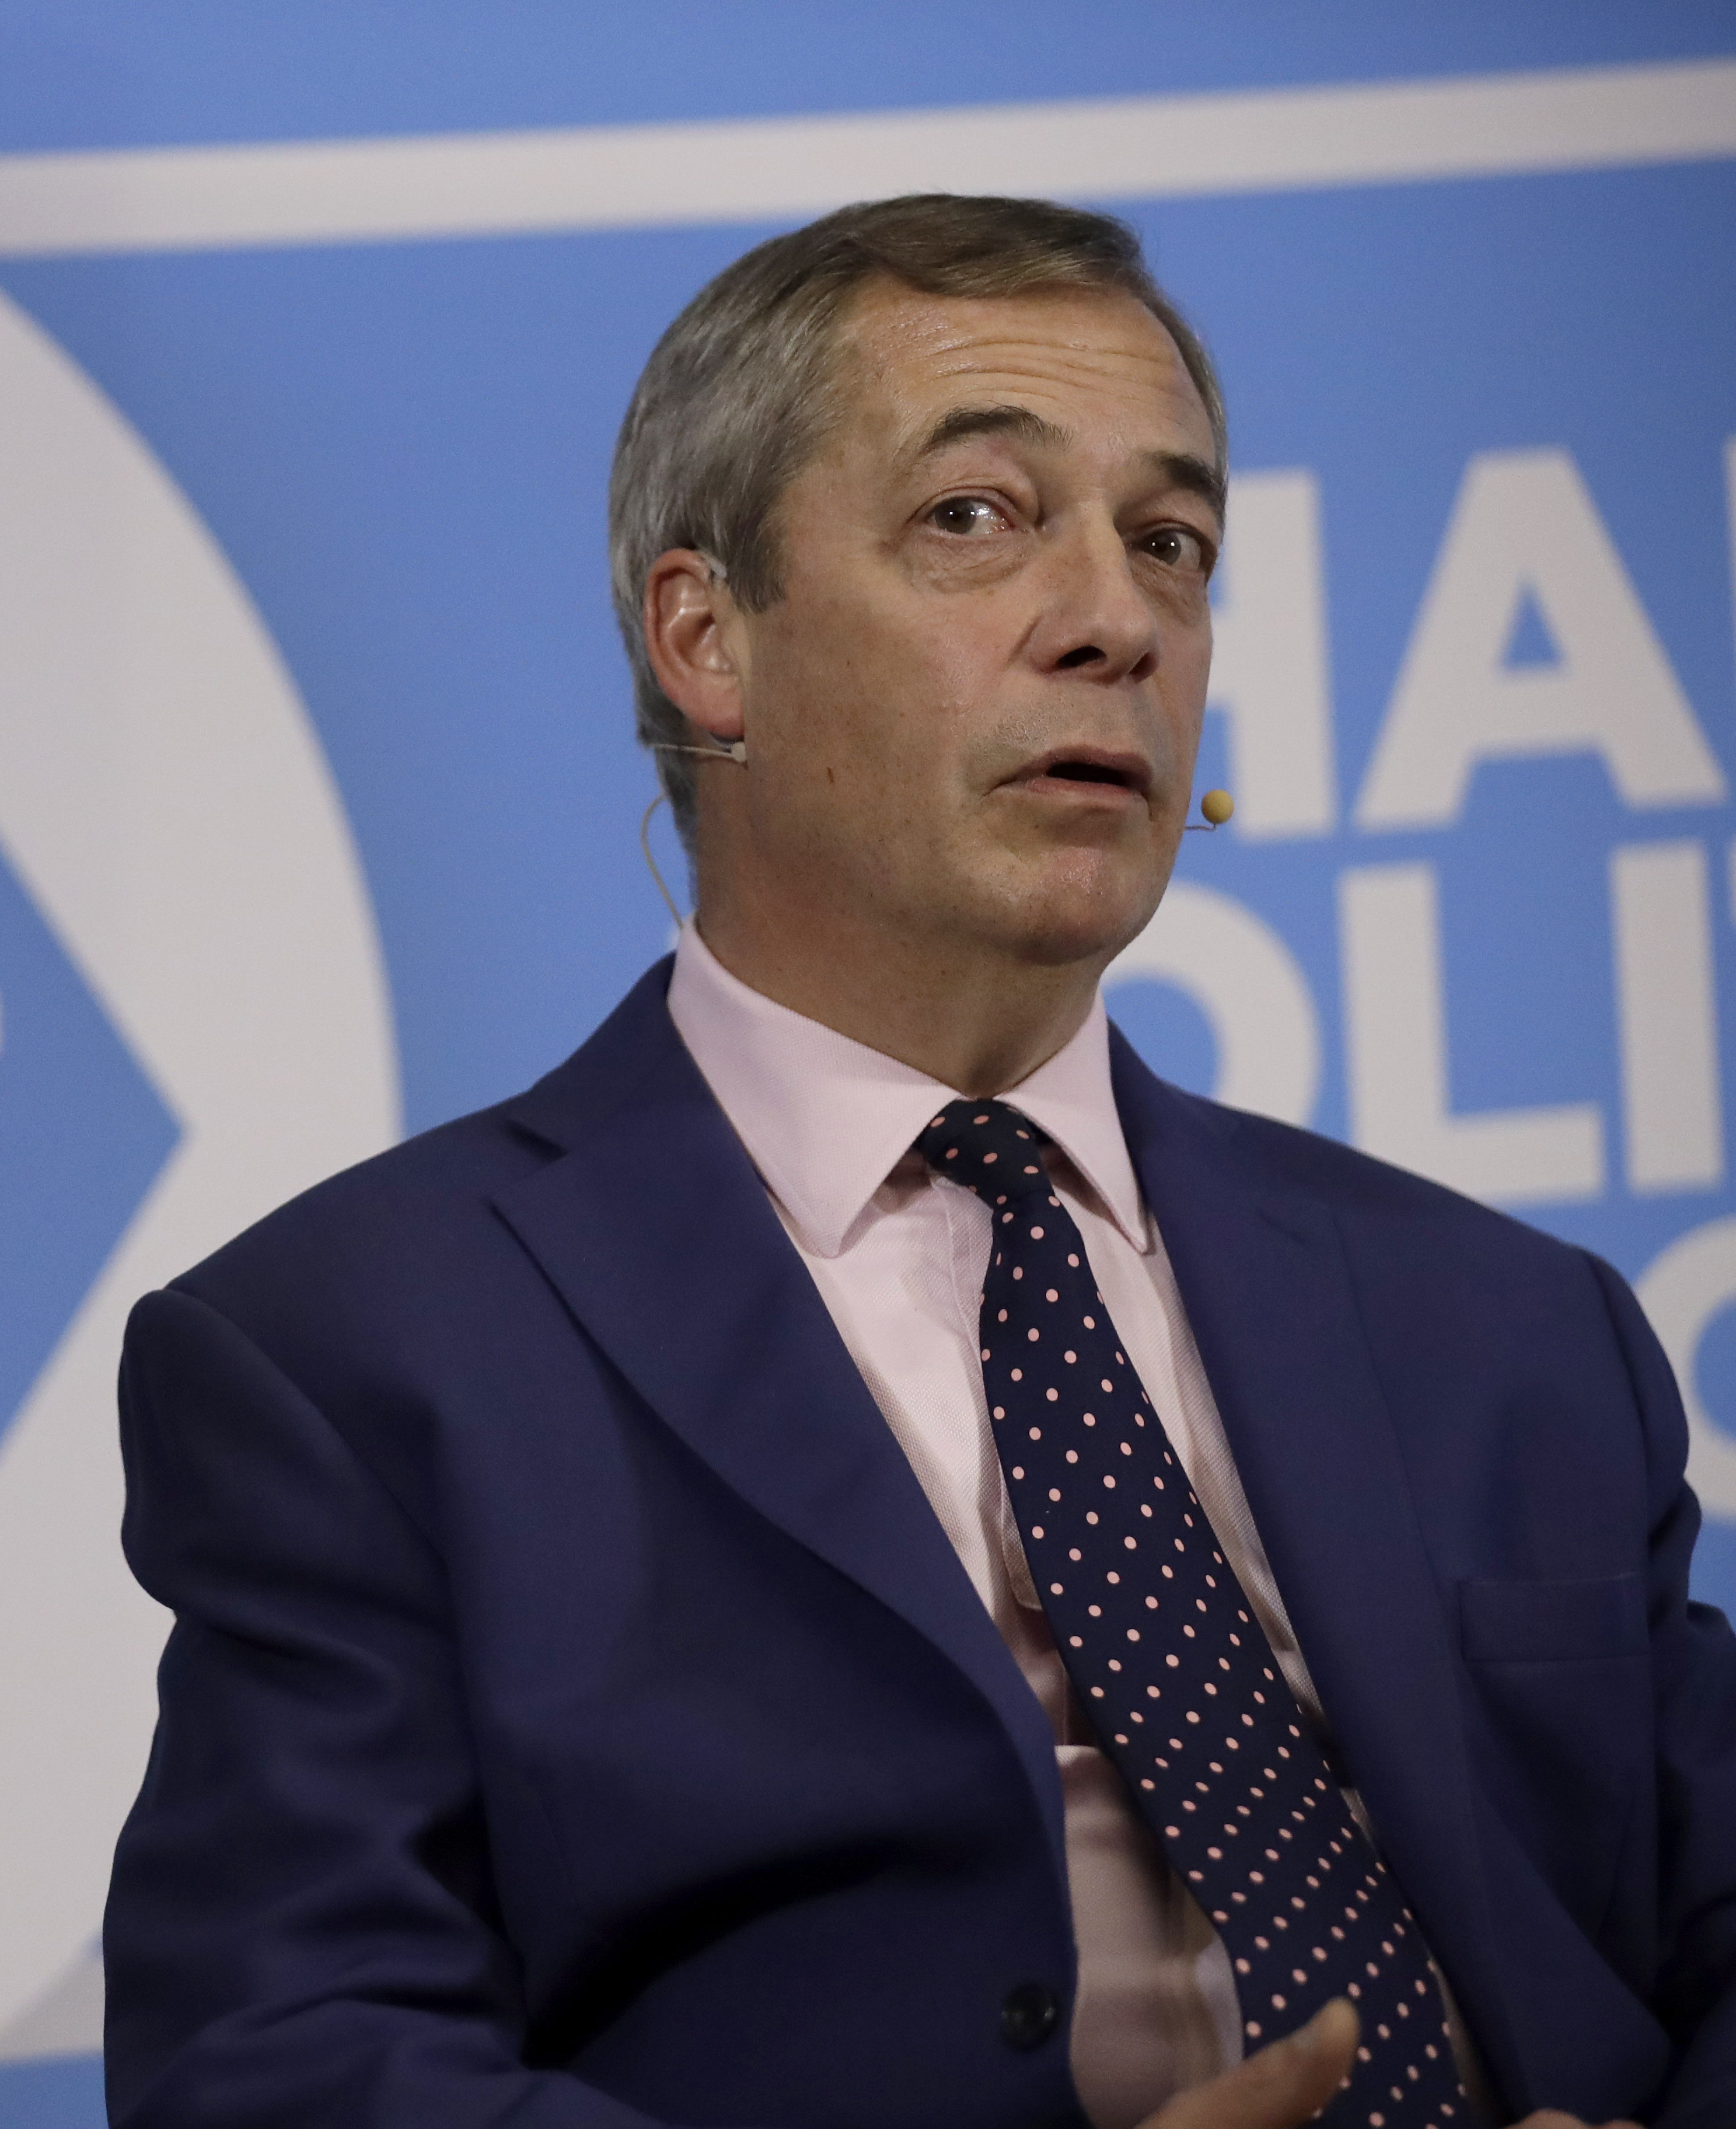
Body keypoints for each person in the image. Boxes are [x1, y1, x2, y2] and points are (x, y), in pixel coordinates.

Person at [100, 194, 1735, 2129]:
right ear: (708, 638)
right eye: (976, 518)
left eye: (1171, 543)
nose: (1117, 619)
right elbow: (283, 2070)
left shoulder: (1515, 1331)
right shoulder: (364, 1357)